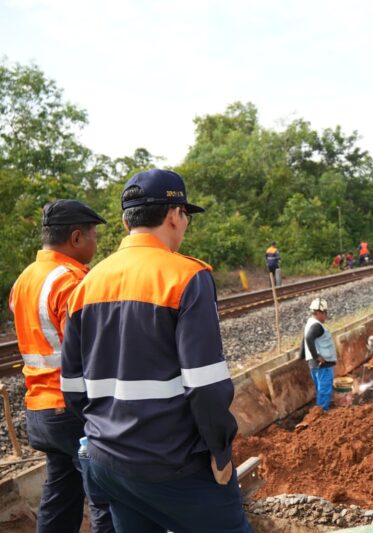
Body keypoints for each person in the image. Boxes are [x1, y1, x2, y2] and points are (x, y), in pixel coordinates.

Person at [61, 169, 252, 532]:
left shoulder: (86, 285)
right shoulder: (187, 278)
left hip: (108, 463)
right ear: (173, 215)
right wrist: (220, 450)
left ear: (124, 221)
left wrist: (106, 434)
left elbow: (72, 389)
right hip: (173, 466)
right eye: (185, 216)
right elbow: (206, 388)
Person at [8, 199, 112, 532]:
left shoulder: (26, 278)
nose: (96, 242)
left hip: (40, 408)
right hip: (71, 409)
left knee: (60, 495)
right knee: (106, 496)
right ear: (77, 237)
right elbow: (89, 351)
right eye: (94, 234)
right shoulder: (69, 282)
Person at [300, 298, 337, 411]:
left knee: (320, 388)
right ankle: (322, 414)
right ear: (320, 312)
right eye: (325, 313)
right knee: (324, 389)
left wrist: (302, 355)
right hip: (323, 364)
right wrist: (316, 356)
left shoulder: (310, 323)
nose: (325, 316)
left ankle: (319, 412)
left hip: (314, 364)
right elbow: (308, 337)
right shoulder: (317, 326)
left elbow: (305, 339)